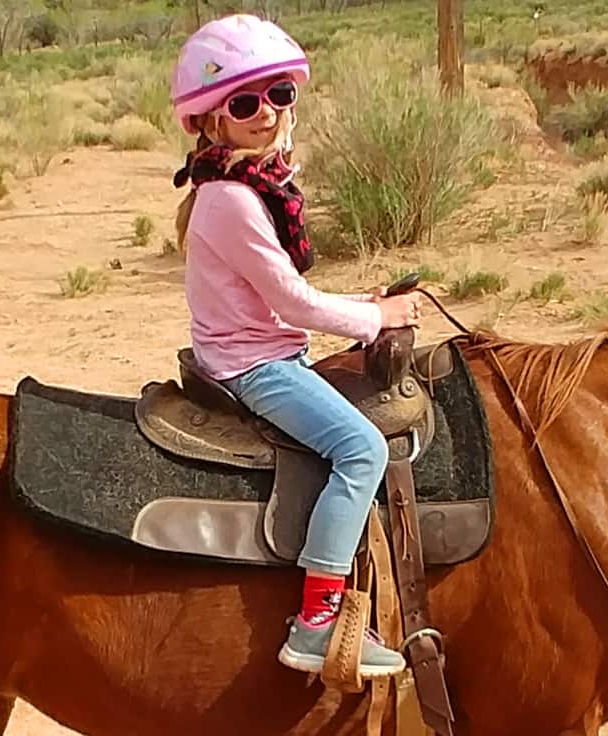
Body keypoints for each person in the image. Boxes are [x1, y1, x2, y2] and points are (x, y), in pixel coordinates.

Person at [169, 14, 419, 678]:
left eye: (279, 94)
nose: (266, 112)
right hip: (256, 365)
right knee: (361, 448)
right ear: (209, 120)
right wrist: (378, 317)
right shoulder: (232, 200)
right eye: (245, 102)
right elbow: (292, 304)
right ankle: (317, 620)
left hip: (262, 348)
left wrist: (364, 308)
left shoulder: (249, 187)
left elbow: (280, 296)